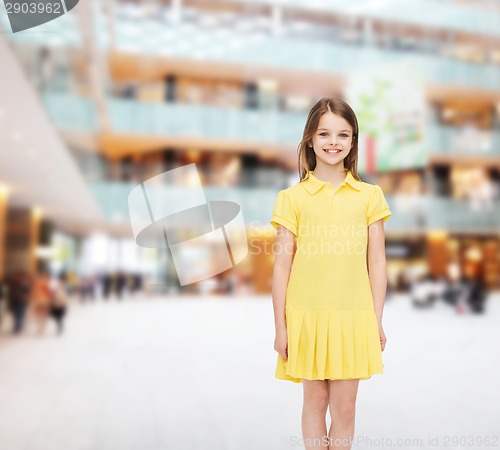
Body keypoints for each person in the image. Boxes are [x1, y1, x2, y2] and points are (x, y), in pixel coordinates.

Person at [270, 98, 392, 449]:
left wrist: (376, 319)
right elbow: (282, 265)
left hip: (353, 316)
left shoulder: (370, 196)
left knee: (345, 407)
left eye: (343, 134)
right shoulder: (291, 198)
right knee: (314, 402)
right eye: (324, 133)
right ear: (309, 139)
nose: (333, 141)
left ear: (353, 141)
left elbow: (378, 261)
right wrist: (281, 327)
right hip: (306, 315)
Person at [31, 271, 52, 335]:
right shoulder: (45, 282)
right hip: (42, 299)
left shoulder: (39, 282)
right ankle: (41, 327)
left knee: (40, 314)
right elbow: (48, 292)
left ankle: (40, 327)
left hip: (41, 299)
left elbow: (35, 292)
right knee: (41, 314)